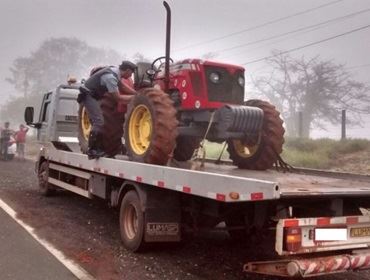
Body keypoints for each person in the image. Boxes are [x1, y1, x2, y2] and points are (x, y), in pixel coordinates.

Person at [78, 61, 138, 159]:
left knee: (98, 121)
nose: (131, 75)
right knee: (99, 122)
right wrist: (135, 98)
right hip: (88, 96)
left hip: (94, 95)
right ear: (127, 70)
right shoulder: (110, 77)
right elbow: (118, 98)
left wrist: (137, 94)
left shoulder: (115, 72)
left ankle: (96, 149)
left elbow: (122, 87)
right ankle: (92, 151)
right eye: (131, 72)